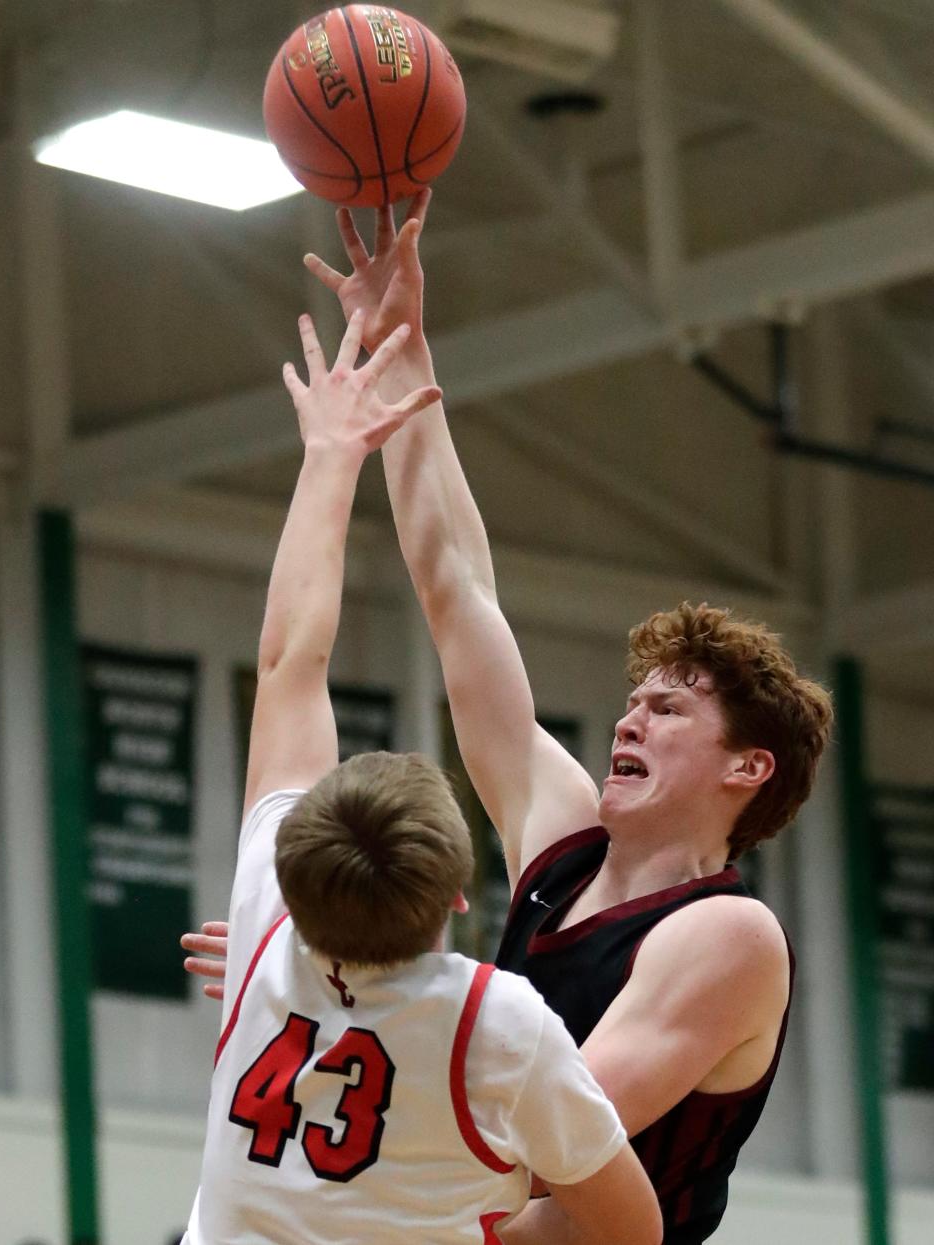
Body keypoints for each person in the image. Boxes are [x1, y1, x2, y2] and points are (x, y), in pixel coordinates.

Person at [185, 193, 833, 1244]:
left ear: (749, 768)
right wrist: (404, 346)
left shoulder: (728, 934)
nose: (630, 720)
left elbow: (542, 1147)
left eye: (667, 710)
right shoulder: (564, 841)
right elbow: (456, 592)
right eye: (631, 700)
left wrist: (335, 981)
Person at [181, 310, 662, 1245]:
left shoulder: (262, 932)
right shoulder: (499, 1022)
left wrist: (328, 454)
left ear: (293, 871)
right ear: (454, 899)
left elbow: (289, 662)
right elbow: (629, 1228)